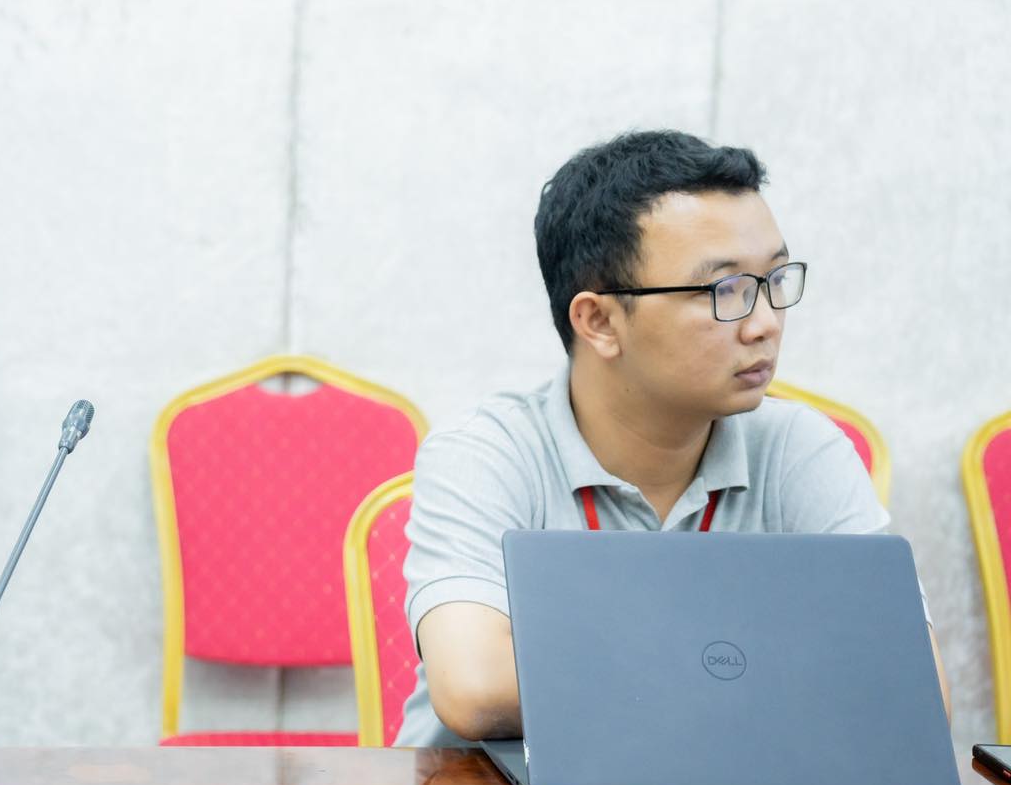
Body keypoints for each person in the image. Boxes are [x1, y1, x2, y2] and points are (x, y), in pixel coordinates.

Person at [397, 130, 948, 745]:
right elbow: (476, 691)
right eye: (725, 291)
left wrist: (610, 673)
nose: (765, 324)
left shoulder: (799, 450)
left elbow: (913, 688)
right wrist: (755, 668)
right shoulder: (487, 453)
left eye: (774, 280)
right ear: (599, 321)